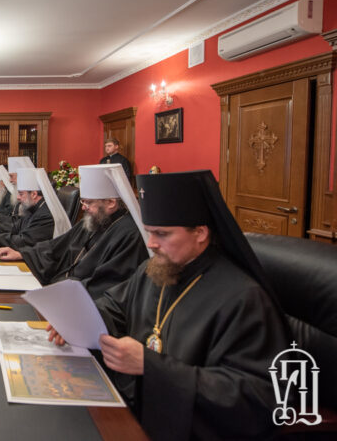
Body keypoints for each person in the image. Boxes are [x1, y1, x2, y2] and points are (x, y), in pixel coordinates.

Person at [51, 170, 290, 440]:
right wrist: (77, 320)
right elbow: (115, 306)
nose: (151, 244)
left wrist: (152, 366)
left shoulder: (243, 298)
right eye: (149, 232)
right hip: (136, 411)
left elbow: (258, 398)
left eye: (162, 234)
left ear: (200, 233)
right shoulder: (153, 270)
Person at [0, 164, 148, 294]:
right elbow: (57, 246)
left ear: (110, 203)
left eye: (89, 202)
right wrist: (22, 254)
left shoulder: (129, 235)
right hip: (62, 287)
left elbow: (108, 286)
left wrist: (63, 293)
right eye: (83, 201)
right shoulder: (93, 220)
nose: (83, 208)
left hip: (80, 300)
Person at [0, 168, 70, 249]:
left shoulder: (45, 214)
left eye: (21, 194)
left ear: (34, 194)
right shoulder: (32, 208)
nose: (18, 198)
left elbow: (25, 240)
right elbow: (16, 226)